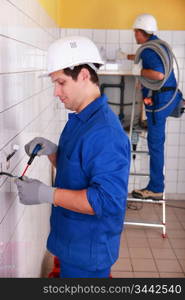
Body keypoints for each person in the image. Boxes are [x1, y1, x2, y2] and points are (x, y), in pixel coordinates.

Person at [15, 36, 131, 278]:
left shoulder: (105, 133)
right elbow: (77, 170)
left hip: (87, 252)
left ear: (85, 76)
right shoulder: (79, 119)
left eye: (61, 82)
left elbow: (106, 201)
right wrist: (53, 152)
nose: (56, 92)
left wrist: (46, 194)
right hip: (71, 241)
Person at [118, 13, 182, 200]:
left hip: (159, 103)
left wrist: (140, 71)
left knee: (155, 145)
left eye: (135, 32)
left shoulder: (148, 50)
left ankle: (155, 187)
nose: (134, 35)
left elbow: (159, 75)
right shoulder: (159, 45)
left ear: (140, 32)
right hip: (170, 98)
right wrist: (129, 57)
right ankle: (156, 185)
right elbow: (149, 60)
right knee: (157, 143)